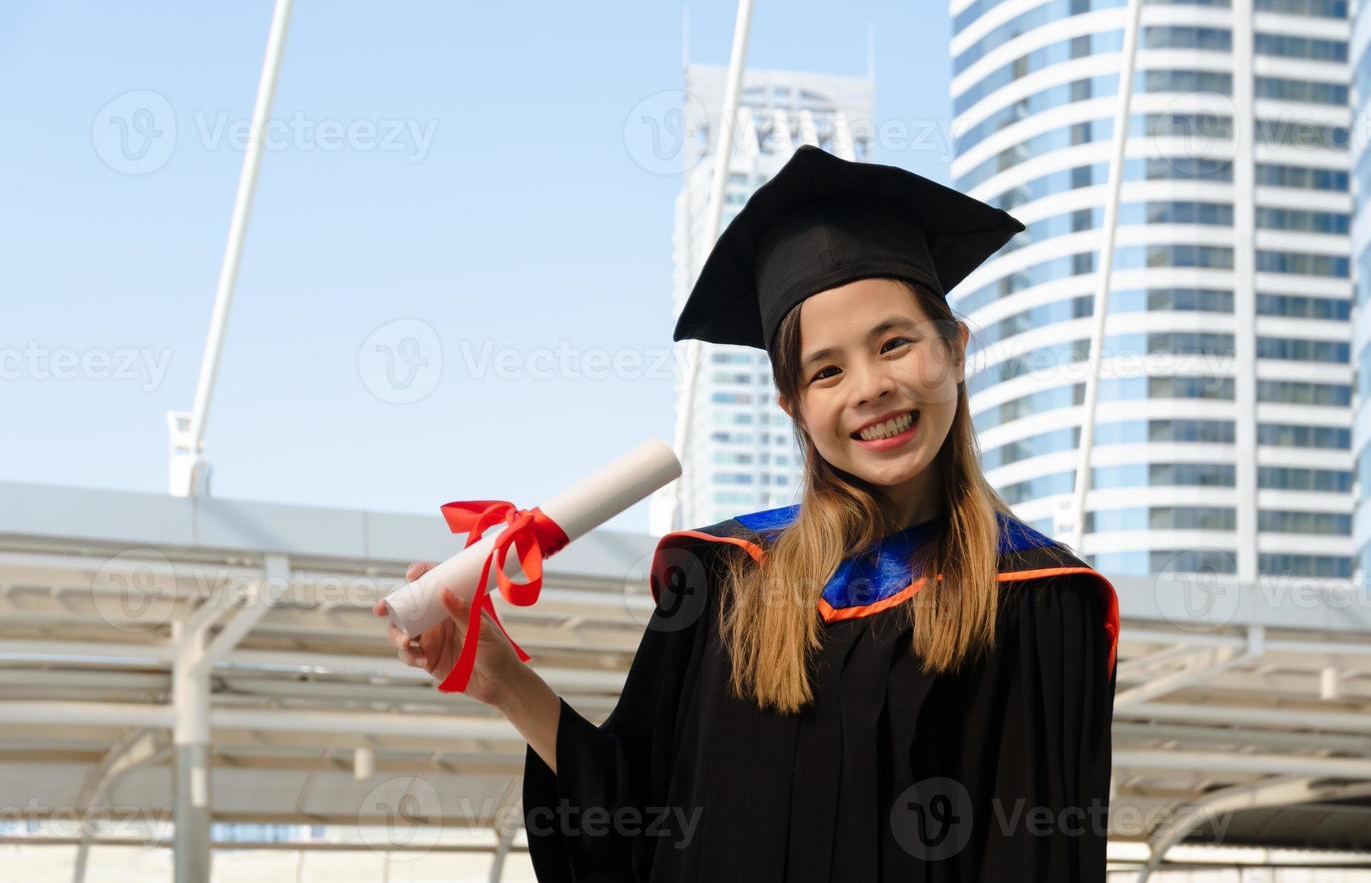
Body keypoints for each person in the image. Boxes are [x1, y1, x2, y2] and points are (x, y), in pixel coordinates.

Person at [376, 143, 1120, 881]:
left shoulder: (1040, 597)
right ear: (793, 404)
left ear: (955, 349)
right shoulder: (724, 579)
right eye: (826, 370)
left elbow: (1039, 859)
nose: (868, 387)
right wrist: (503, 680)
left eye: (895, 344)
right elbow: (636, 824)